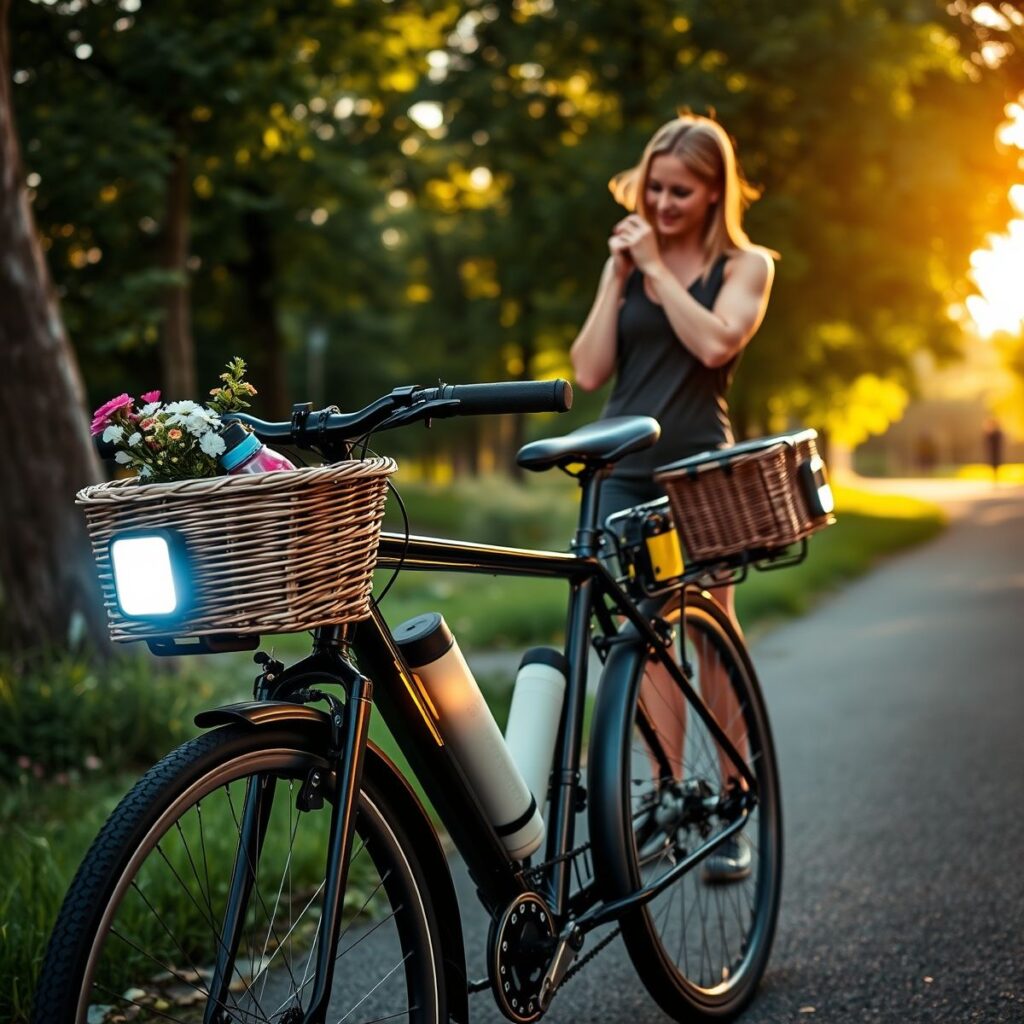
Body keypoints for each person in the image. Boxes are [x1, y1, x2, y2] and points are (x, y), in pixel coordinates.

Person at [569, 113, 775, 882]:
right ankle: (665, 796)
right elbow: (589, 373)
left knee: (711, 638)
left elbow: (719, 343)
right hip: (622, 467)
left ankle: (730, 806)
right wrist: (617, 275)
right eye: (652, 187)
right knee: (646, 642)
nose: (660, 203)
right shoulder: (632, 258)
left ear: (715, 189)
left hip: (700, 474)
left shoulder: (747, 265)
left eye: (679, 191)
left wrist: (655, 270)